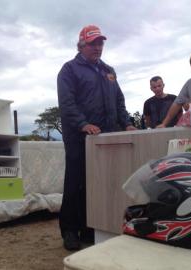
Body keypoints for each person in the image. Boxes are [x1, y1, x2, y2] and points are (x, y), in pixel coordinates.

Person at [57, 25, 137, 251]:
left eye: (100, 43)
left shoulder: (108, 71)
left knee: (100, 184)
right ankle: (70, 231)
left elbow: (119, 101)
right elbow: (67, 103)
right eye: (93, 43)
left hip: (106, 138)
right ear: (81, 45)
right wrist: (83, 124)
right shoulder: (69, 70)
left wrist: (128, 123)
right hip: (79, 138)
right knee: (76, 183)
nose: (98, 47)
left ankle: (91, 227)